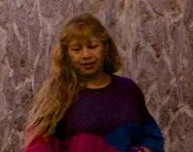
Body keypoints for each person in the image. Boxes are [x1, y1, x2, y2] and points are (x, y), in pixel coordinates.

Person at [23, 14, 164, 152]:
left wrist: (146, 149)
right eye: (76, 49)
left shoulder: (128, 90)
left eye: (92, 46)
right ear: (66, 54)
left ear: (105, 47)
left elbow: (152, 135)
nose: (86, 55)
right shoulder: (58, 97)